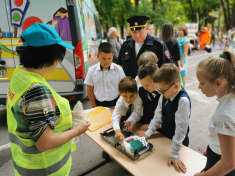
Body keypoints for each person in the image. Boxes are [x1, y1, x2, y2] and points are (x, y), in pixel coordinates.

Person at [6, 22, 91, 176]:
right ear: (46, 56)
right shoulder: (36, 89)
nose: (58, 62)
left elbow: (30, 113)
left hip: (26, 166)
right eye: (58, 57)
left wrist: (65, 115)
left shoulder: (21, 76)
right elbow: (44, 143)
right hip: (46, 169)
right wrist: (78, 130)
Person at [142, 63, 190, 174]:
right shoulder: (165, 93)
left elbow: (180, 129)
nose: (159, 93)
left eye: (162, 90)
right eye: (158, 90)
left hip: (179, 143)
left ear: (176, 86)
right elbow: (157, 115)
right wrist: (148, 134)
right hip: (166, 136)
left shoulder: (183, 101)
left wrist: (175, 154)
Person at [194, 49, 235, 176]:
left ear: (218, 83)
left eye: (202, 83)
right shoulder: (229, 100)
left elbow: (229, 163)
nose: (199, 87)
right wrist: (212, 148)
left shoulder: (224, 115)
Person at [84, 42, 126, 108]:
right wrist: (94, 106)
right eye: (103, 58)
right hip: (98, 104)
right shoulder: (91, 70)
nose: (106, 62)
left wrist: (119, 105)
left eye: (109, 58)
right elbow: (90, 90)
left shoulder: (119, 70)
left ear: (113, 56)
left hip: (115, 103)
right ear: (98, 56)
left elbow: (123, 88)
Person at [124, 63, 160, 131]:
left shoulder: (164, 93)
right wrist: (130, 121)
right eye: (142, 84)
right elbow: (138, 111)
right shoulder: (141, 91)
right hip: (142, 126)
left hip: (159, 130)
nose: (145, 88)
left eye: (147, 85)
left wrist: (152, 125)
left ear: (156, 79)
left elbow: (165, 116)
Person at [112, 77, 142, 142]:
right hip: (127, 121)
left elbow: (137, 112)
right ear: (120, 93)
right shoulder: (120, 101)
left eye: (132, 96)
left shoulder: (138, 98)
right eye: (125, 96)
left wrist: (130, 121)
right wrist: (117, 131)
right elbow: (115, 116)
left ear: (136, 91)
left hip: (140, 122)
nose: (129, 99)